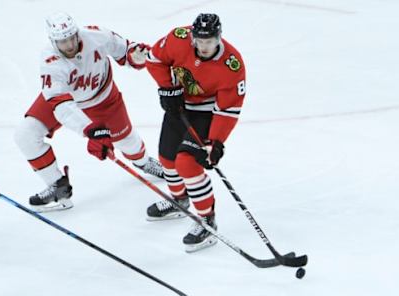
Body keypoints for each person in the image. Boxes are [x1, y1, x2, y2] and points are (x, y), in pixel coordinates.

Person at [14, 12, 163, 212]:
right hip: (65, 100)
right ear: (53, 41)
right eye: (62, 41)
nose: (68, 45)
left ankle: (143, 162)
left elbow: (126, 50)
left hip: (103, 99)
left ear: (77, 33)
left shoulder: (97, 35)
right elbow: (61, 106)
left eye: (71, 38)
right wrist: (90, 130)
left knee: (128, 143)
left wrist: (137, 56)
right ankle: (58, 185)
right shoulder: (50, 60)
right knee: (26, 134)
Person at [145, 13, 246, 252]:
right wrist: (168, 89)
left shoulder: (232, 64)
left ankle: (206, 221)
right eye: (199, 41)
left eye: (209, 41)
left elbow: (228, 108)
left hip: (206, 113)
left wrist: (216, 142)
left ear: (218, 38)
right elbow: (154, 59)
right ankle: (179, 200)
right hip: (178, 105)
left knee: (187, 163)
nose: (203, 46)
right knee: (167, 160)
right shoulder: (178, 38)